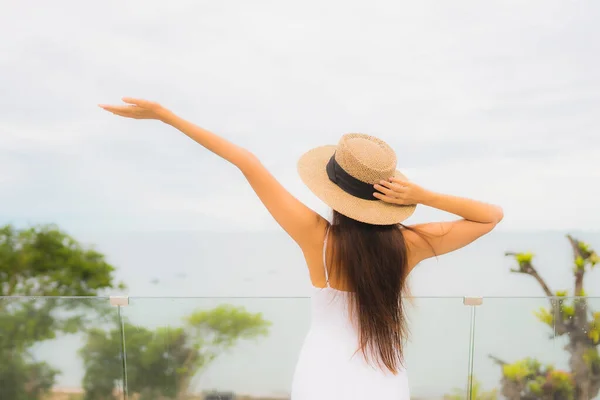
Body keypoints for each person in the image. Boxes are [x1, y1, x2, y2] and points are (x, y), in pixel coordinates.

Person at [99, 98, 504, 400]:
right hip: (384, 378)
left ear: (333, 192)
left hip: (320, 376)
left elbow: (247, 162)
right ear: (387, 199)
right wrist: (421, 194)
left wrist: (165, 116)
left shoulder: (317, 237)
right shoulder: (409, 244)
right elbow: (490, 216)